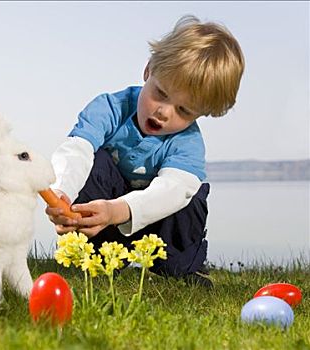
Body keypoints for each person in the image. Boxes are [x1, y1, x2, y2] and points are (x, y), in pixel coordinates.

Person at [45, 15, 245, 287]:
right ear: (148, 71)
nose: (163, 112)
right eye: (161, 93)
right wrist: (62, 193)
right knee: (95, 160)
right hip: (102, 223)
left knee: (189, 191)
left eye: (184, 110)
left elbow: (173, 188)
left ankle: (181, 268)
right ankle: (93, 255)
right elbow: (76, 150)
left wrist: (119, 210)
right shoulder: (111, 108)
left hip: (153, 226)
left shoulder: (187, 142)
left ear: (201, 113)